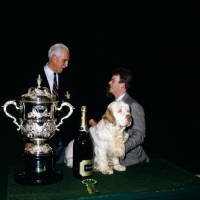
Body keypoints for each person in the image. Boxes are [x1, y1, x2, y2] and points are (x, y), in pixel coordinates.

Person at [25, 43, 81, 164]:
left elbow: (76, 102)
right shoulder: (33, 77)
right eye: (64, 60)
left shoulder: (68, 78)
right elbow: (27, 110)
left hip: (64, 138)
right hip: (40, 138)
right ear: (54, 58)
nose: (67, 65)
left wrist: (90, 119)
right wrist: (28, 138)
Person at [89, 68, 149, 166]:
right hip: (111, 161)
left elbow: (140, 134)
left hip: (131, 162)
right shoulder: (113, 105)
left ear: (122, 84)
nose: (109, 82)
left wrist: (119, 148)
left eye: (113, 80)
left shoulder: (134, 106)